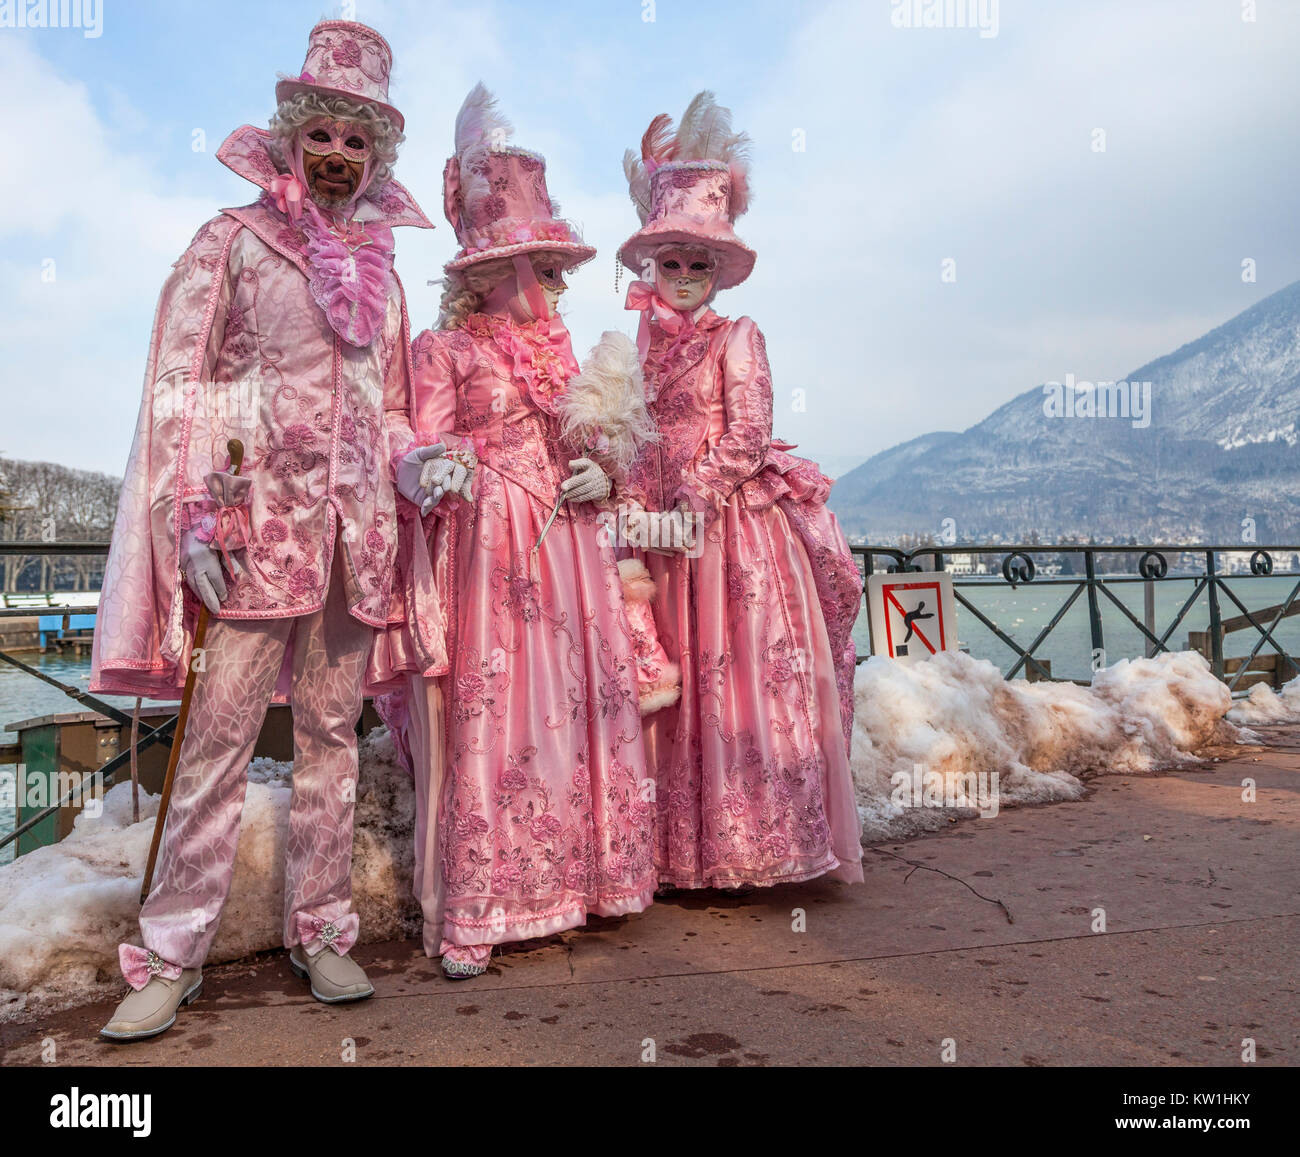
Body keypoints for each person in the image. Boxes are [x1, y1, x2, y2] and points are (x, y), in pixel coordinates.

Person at [89, 19, 443, 1039]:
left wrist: (413, 459)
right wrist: (192, 512)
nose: (339, 155)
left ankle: (321, 925)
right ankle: (169, 950)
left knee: (334, 733)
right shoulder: (231, 242)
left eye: (358, 141)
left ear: (377, 157)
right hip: (252, 534)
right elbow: (185, 385)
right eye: (324, 133)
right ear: (292, 137)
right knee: (216, 742)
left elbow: (389, 409)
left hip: (353, 539)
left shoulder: (385, 275)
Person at [381, 85, 657, 980]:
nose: (546, 283)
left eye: (550, 266)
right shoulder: (444, 351)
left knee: (576, 706)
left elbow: (596, 438)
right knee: (493, 709)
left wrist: (604, 467)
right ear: (483, 273)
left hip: (569, 546)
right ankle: (484, 900)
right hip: (489, 548)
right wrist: (444, 462)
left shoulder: (568, 353)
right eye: (529, 265)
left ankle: (582, 878)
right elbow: (415, 445)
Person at [618, 92, 864, 893]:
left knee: (734, 679)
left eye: (699, 262)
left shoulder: (739, 336)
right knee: (672, 681)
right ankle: (673, 851)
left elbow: (749, 431)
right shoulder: (637, 349)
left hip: (726, 533)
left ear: (719, 271)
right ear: (650, 267)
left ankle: (751, 844)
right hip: (661, 537)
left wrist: (695, 494)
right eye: (671, 261)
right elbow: (627, 432)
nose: (685, 276)